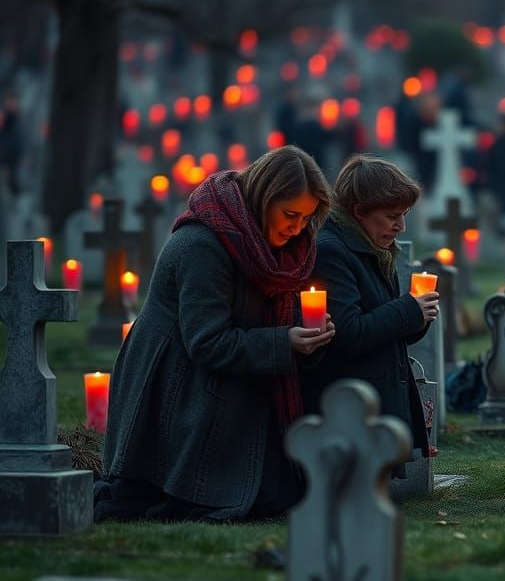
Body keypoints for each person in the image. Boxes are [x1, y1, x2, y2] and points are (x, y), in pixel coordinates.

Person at [95, 146, 335, 522]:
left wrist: (308, 334)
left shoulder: (284, 250)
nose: (297, 228)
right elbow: (206, 342)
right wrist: (283, 342)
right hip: (178, 385)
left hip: (235, 377)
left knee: (281, 494)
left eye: (306, 218)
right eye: (290, 215)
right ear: (264, 197)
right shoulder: (202, 244)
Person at [300, 155, 437, 470]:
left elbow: (384, 322)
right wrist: (407, 309)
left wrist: (419, 315)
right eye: (391, 216)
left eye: (403, 215)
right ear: (359, 212)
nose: (400, 226)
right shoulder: (333, 251)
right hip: (351, 406)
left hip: (375, 397)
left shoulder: (373, 246)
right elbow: (349, 333)